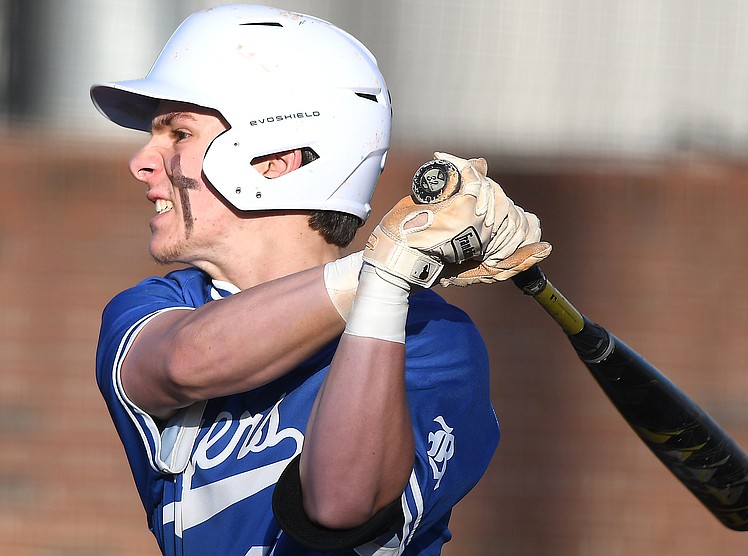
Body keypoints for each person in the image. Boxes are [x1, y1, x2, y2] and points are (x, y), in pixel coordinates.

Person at [92, 4, 550, 555]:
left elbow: (339, 505)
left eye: (179, 135)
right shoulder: (162, 305)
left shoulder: (432, 338)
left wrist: (384, 287)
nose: (142, 161)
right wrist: (385, 266)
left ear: (276, 159)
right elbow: (188, 360)